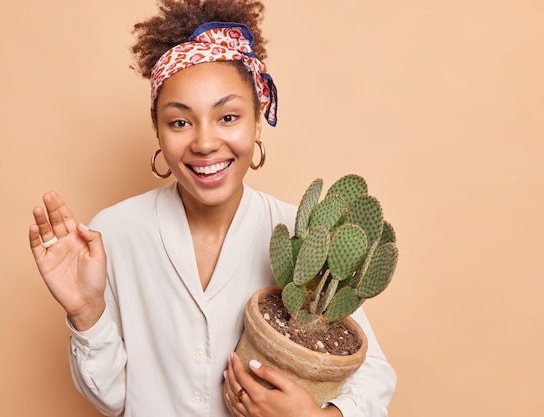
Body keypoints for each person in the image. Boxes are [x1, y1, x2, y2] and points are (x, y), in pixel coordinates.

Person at [28, 1, 396, 416]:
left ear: (258, 122)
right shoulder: (113, 234)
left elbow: (373, 375)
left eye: (228, 116)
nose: (204, 143)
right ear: (159, 132)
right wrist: (85, 311)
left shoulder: (304, 232)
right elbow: (114, 399)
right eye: (180, 122)